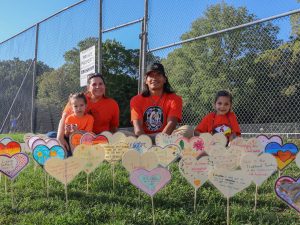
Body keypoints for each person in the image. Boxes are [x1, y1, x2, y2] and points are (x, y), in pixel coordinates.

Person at [57, 73, 119, 150]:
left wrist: (113, 141)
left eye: (100, 84)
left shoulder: (112, 104)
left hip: (100, 139)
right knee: (51, 135)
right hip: (75, 138)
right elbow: (64, 117)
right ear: (88, 87)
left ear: (104, 86)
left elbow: (114, 128)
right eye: (94, 84)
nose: (98, 87)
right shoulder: (78, 99)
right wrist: (60, 137)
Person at [130, 62, 193, 139]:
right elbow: (138, 130)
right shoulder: (136, 100)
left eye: (158, 75)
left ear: (165, 80)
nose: (154, 78)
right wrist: (145, 141)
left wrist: (160, 140)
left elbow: (171, 124)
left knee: (188, 130)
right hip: (144, 137)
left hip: (166, 136)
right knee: (121, 135)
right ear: (146, 80)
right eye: (151, 75)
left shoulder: (175, 99)